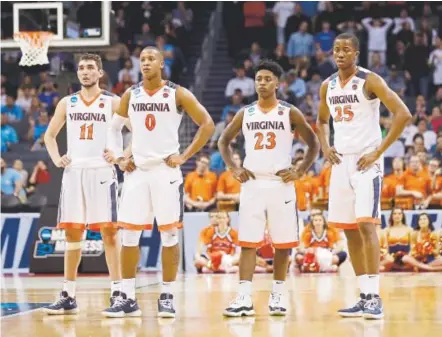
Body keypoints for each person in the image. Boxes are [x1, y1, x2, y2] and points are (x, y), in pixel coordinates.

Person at [104, 46, 215, 318]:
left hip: (166, 173)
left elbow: (207, 124)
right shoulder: (131, 94)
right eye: (142, 59)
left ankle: (167, 296)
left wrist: (185, 156)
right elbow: (113, 129)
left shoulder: (177, 92)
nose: (145, 63)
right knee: (129, 235)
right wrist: (119, 158)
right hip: (137, 173)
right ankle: (127, 298)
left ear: (162, 63)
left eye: (151, 58)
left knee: (169, 235)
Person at [317, 33, 412, 319]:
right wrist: (325, 145)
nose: (340, 54)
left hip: (366, 162)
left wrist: (378, 151)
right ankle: (363, 296)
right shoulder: (327, 85)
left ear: (357, 53)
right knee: (349, 231)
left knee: (367, 227)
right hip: (340, 162)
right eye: (336, 50)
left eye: (346, 49)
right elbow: (321, 120)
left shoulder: (370, 80)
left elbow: (403, 114)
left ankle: (375, 297)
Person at [219, 59, 319, 317]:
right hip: (252, 182)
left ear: (277, 82)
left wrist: (300, 170)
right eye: (258, 79)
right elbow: (224, 141)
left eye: (267, 79)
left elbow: (314, 144)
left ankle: (279, 294)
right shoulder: (246, 112)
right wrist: (234, 168)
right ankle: (243, 297)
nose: (262, 83)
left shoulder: (289, 111)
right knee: (248, 243)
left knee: (283, 243)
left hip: (280, 183)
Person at [42, 54, 123, 315]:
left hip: (102, 172)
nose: (85, 72)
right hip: (74, 173)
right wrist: (57, 158)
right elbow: (50, 135)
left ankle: (119, 293)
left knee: (109, 233)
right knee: (72, 234)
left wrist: (123, 155)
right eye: (81, 68)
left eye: (90, 68)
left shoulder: (112, 102)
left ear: (100, 73)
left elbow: (139, 130)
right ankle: (68, 294)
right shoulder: (68, 102)